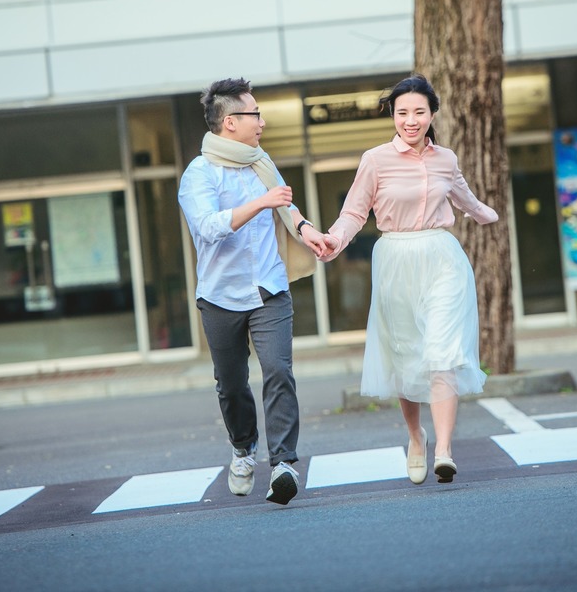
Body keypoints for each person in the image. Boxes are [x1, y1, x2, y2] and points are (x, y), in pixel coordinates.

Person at [318, 75, 498, 484]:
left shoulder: (445, 159)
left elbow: (463, 197)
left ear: (432, 114)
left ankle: (445, 450)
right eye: (402, 113)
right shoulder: (375, 159)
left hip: (441, 258)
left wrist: (485, 213)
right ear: (393, 116)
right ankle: (416, 436)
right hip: (395, 259)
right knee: (405, 355)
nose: (411, 120)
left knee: (442, 351)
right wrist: (334, 240)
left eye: (419, 112)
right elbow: (354, 212)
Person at [178, 77, 331, 505]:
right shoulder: (199, 174)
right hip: (219, 295)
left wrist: (307, 231)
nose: (261, 121)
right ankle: (243, 448)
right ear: (231, 122)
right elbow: (208, 229)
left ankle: (283, 464)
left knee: (279, 370)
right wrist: (260, 204)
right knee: (231, 385)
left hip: (268, 287)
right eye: (255, 114)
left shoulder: (260, 162)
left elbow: (285, 205)